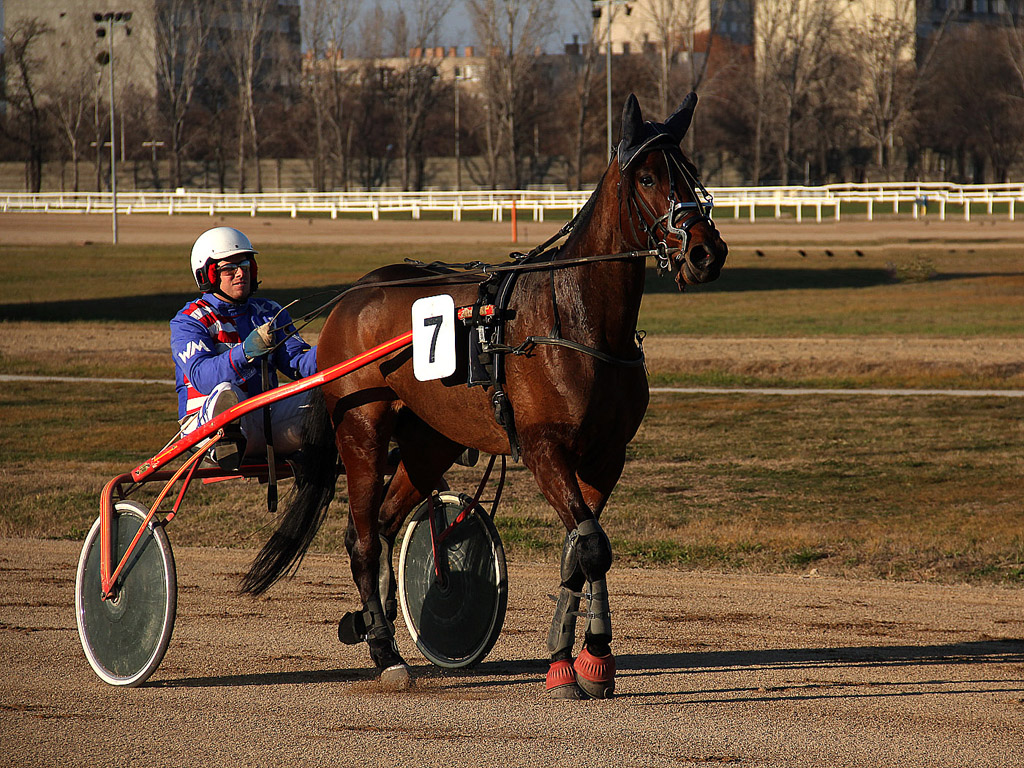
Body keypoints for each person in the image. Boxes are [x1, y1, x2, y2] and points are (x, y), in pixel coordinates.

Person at [171, 226, 318, 469]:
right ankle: (227, 445)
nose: (241, 273)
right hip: (204, 429)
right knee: (227, 392)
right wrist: (246, 352)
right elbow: (202, 377)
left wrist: (335, 350)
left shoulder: (270, 312)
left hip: (269, 422)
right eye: (229, 268)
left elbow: (298, 364)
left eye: (245, 266)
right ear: (208, 275)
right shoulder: (189, 320)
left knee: (328, 393)